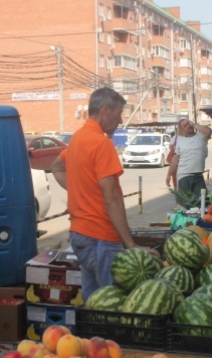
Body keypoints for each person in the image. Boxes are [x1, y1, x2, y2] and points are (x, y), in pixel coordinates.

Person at [50, 87, 160, 299]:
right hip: (101, 238)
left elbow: (56, 167)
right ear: (105, 109)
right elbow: (113, 199)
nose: (120, 120)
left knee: (94, 301)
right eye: (118, 113)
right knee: (113, 304)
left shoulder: (78, 139)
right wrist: (131, 245)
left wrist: (81, 190)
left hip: (80, 236)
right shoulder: (101, 143)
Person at [166, 118, 212, 194]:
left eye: (188, 124)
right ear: (182, 130)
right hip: (184, 176)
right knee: (185, 203)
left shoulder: (201, 137)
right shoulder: (180, 140)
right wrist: (169, 175)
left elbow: (208, 131)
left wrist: (193, 124)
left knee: (202, 202)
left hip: (199, 175)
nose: (188, 126)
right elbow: (175, 159)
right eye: (185, 126)